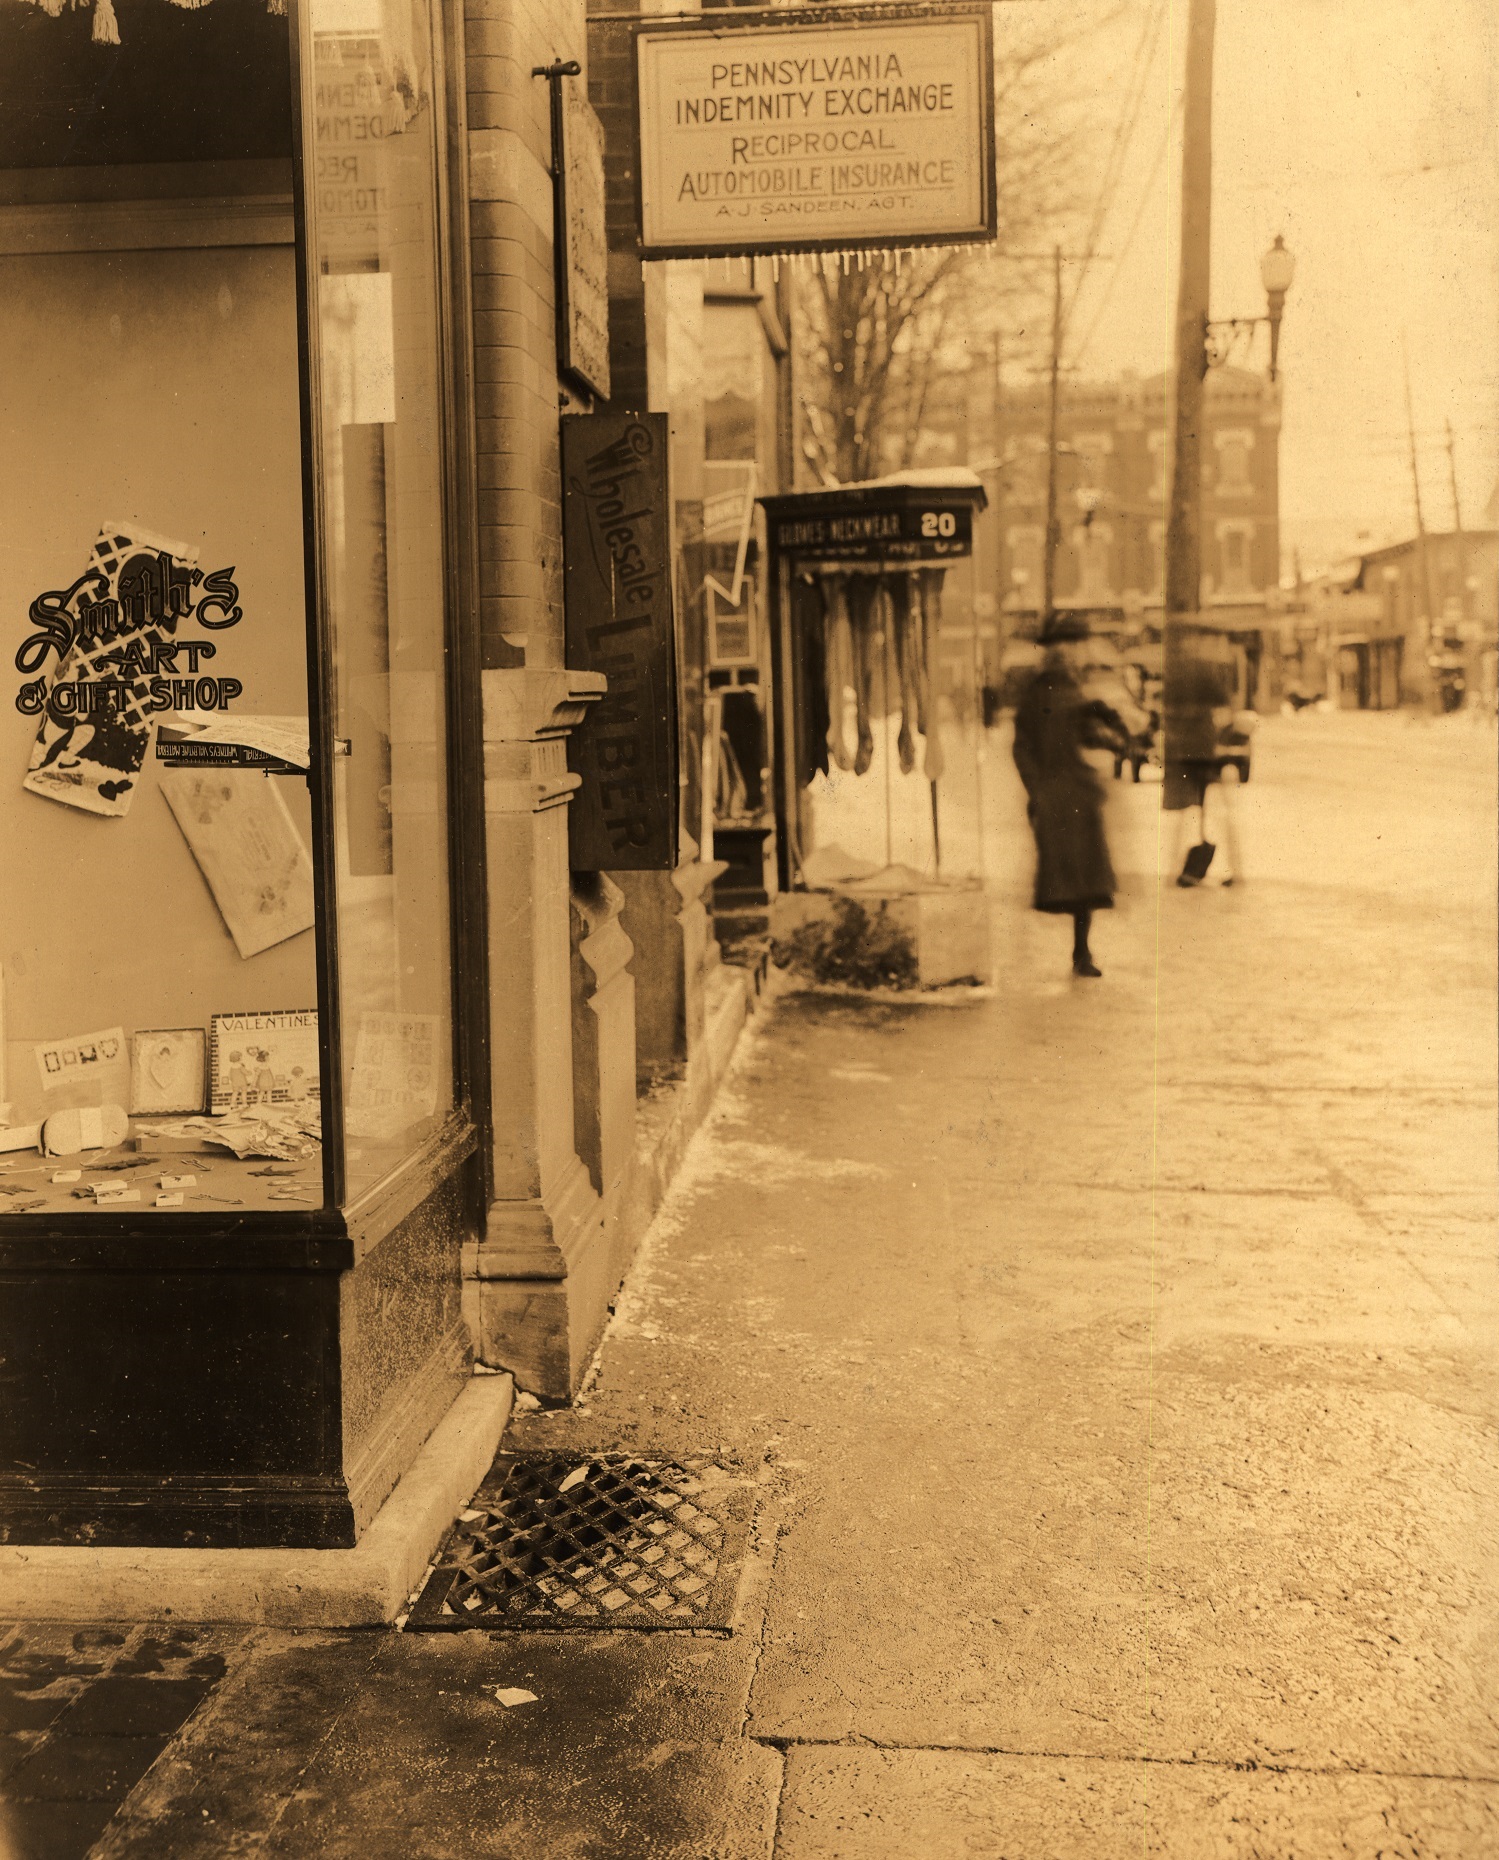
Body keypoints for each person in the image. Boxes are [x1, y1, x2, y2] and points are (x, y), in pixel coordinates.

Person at [1012, 615, 1131, 977]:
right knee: (1068, 876)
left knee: (1088, 878)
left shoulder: (1078, 689)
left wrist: (1109, 729)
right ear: (1052, 652)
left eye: (1073, 647)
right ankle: (1079, 952)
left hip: (1079, 791)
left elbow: (1095, 735)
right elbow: (1022, 748)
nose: (1070, 654)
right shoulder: (1035, 694)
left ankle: (1083, 952)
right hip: (1055, 793)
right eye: (1064, 648)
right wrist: (1037, 790)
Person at [1163, 638, 1243, 886]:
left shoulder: (1173, 676)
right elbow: (1225, 705)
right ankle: (1231, 870)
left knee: (1184, 813)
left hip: (1181, 754)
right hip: (1205, 753)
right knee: (1216, 812)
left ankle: (1180, 869)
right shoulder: (1205, 672)